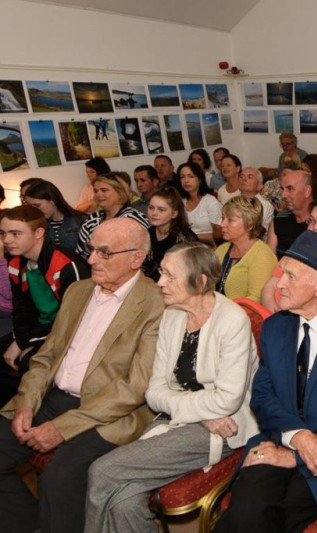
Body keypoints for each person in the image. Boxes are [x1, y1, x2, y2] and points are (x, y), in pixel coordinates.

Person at [0, 218, 164, 533]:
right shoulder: (79, 291)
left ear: (136, 258)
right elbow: (46, 356)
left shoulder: (156, 303)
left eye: (104, 253)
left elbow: (134, 387)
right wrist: (26, 402)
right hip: (52, 398)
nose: (90, 260)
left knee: (59, 479)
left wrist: (62, 428)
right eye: (91, 250)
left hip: (108, 412)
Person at [214, 231, 317, 533]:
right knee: (248, 508)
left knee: (273, 517)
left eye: (290, 276)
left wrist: (297, 456)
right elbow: (263, 396)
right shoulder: (276, 327)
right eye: (282, 274)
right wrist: (297, 438)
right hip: (280, 438)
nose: (279, 284)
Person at [85, 243, 259, 533]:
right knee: (124, 502)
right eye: (161, 273)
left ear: (201, 281)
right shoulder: (173, 315)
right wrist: (202, 412)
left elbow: (228, 401)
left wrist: (193, 408)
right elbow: (154, 392)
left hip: (225, 429)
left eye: (170, 276)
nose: (159, 282)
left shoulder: (233, 321)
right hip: (194, 421)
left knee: (102, 470)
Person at [0, 206, 90, 403]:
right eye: (3, 233)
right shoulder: (16, 263)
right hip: (40, 330)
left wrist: (26, 343)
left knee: (29, 363)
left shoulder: (67, 265)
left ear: (39, 233)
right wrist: (21, 340)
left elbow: (73, 318)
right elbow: (21, 308)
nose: (7, 240)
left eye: (15, 234)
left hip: (69, 334)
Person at [215, 196, 276, 302]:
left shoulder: (262, 255)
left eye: (230, 220)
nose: (222, 224)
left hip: (243, 316)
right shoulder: (221, 250)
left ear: (250, 224)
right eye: (223, 218)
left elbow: (256, 299)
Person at [76, 175, 149, 259]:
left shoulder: (133, 218)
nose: (98, 194)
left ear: (120, 193)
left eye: (104, 190)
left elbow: (141, 252)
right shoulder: (92, 219)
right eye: (96, 191)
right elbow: (81, 253)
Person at [144, 187, 198, 281]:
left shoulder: (184, 238)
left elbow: (187, 274)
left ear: (174, 214)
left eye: (161, 210)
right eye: (151, 208)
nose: (154, 213)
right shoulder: (148, 232)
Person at [22, 180, 86, 250]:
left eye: (37, 205)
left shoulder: (81, 220)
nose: (35, 211)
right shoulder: (37, 224)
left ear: (53, 200)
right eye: (31, 207)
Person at [267, 170, 312, 257]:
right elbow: (270, 260)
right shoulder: (279, 220)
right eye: (282, 189)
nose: (283, 195)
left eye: (290, 189)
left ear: (307, 191)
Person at [179, 161, 223, 244]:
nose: (186, 180)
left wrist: (194, 239)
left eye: (191, 176)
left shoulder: (210, 201)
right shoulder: (182, 202)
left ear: (199, 179)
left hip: (209, 246)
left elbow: (219, 234)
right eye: (182, 177)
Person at [239, 166, 275, 235]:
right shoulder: (232, 202)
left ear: (259, 186)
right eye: (241, 176)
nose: (243, 179)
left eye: (250, 177)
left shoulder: (265, 206)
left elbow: (259, 233)